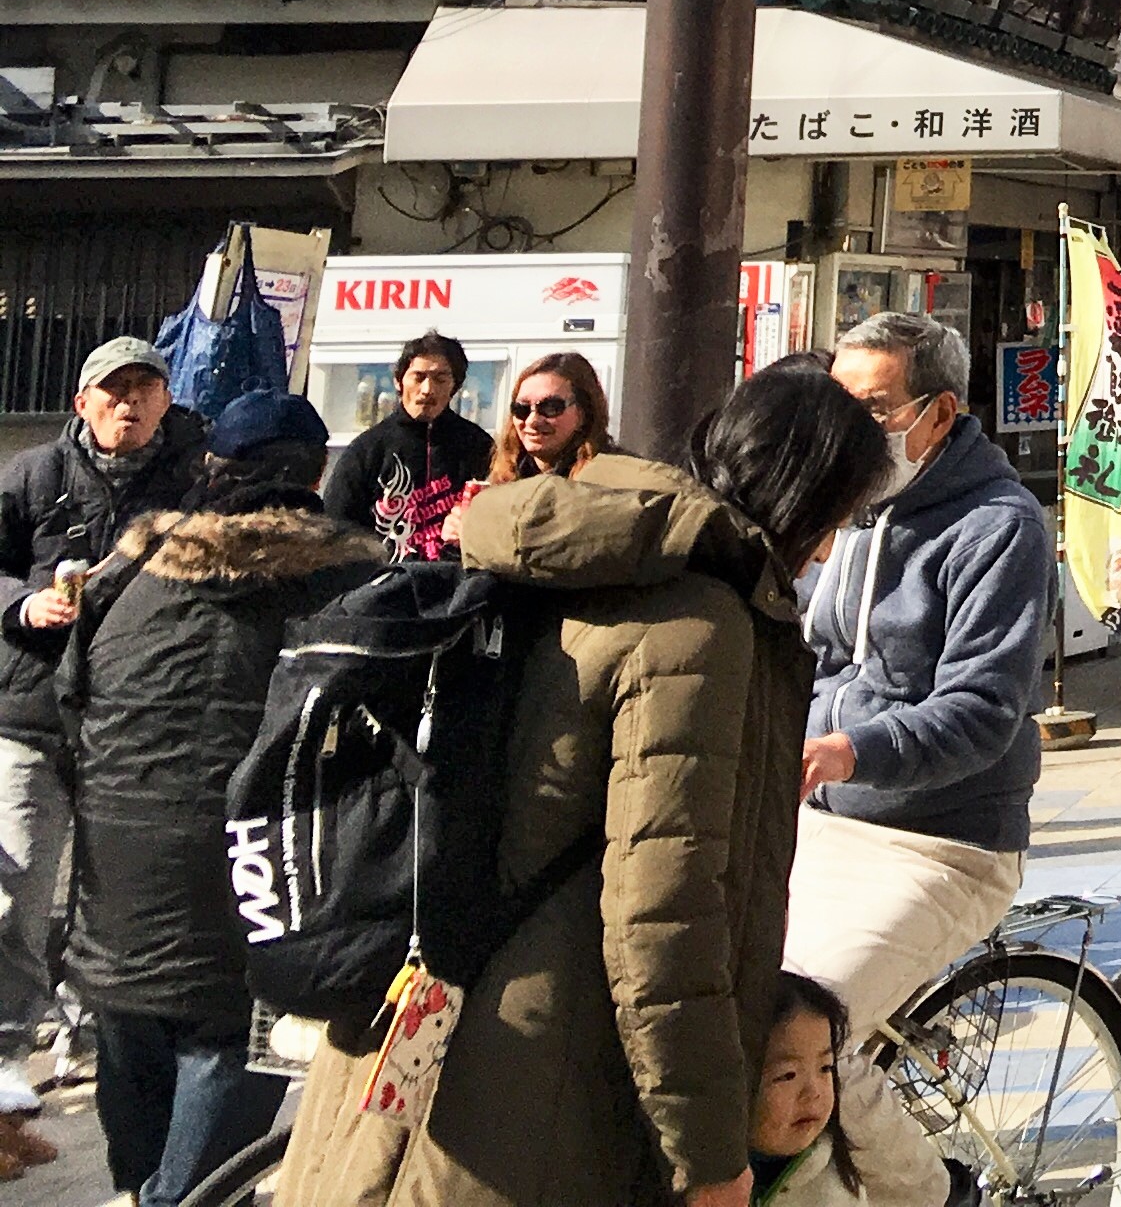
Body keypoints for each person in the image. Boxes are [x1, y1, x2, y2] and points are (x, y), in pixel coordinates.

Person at [282, 357, 895, 1207]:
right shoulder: (698, 623)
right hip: (538, 1085)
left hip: (417, 1010)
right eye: (837, 517)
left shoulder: (568, 551)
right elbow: (664, 922)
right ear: (801, 496)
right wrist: (711, 1157)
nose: (830, 545)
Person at [62, 391, 377, 1207]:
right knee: (226, 1052)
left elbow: (69, 694)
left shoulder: (129, 566)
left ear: (212, 466)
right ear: (316, 473)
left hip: (117, 863)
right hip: (266, 877)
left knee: (132, 1040)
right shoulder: (353, 579)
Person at [787, 310, 1052, 1207]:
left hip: (943, 841)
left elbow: (982, 711)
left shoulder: (1001, 527)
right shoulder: (852, 511)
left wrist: (848, 749)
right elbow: (815, 649)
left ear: (936, 416)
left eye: (872, 410)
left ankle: (940, 1195)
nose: (848, 432)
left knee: (801, 1035)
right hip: (821, 817)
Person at [0, 332, 208, 1114]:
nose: (129, 402)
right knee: (16, 885)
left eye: (144, 389)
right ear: (83, 402)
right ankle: (8, 1049)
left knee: (114, 890)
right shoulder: (33, 474)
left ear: (165, 401)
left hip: (137, 720)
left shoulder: (193, 484)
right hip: (28, 711)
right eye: (113, 390)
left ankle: (90, 1034)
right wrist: (23, 603)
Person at [322, 329, 495, 558]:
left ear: (455, 385)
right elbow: (336, 527)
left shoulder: (479, 446)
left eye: (440, 379)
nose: (427, 390)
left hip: (457, 584)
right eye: (419, 377)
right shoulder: (367, 450)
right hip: (385, 584)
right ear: (399, 381)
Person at [748, 973, 863, 1205]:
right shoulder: (684, 1181)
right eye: (787, 1075)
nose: (813, 1092)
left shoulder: (833, 1193)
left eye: (825, 1068)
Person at [488, 351, 620, 485]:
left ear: (584, 412)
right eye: (522, 408)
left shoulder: (615, 480)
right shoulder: (502, 477)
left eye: (550, 407)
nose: (532, 420)